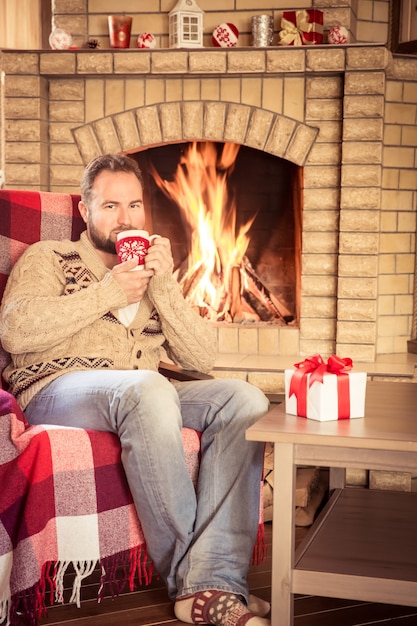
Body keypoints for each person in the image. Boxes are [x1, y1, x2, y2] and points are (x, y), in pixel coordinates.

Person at [0, 154, 270, 626]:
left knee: (244, 399)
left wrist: (163, 286)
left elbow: (201, 359)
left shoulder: (154, 275)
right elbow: (15, 331)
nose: (126, 218)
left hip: (145, 395)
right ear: (85, 211)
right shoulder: (50, 257)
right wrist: (107, 291)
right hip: (56, 390)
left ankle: (213, 583)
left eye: (135, 206)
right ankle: (202, 588)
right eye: (110, 206)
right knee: (148, 388)